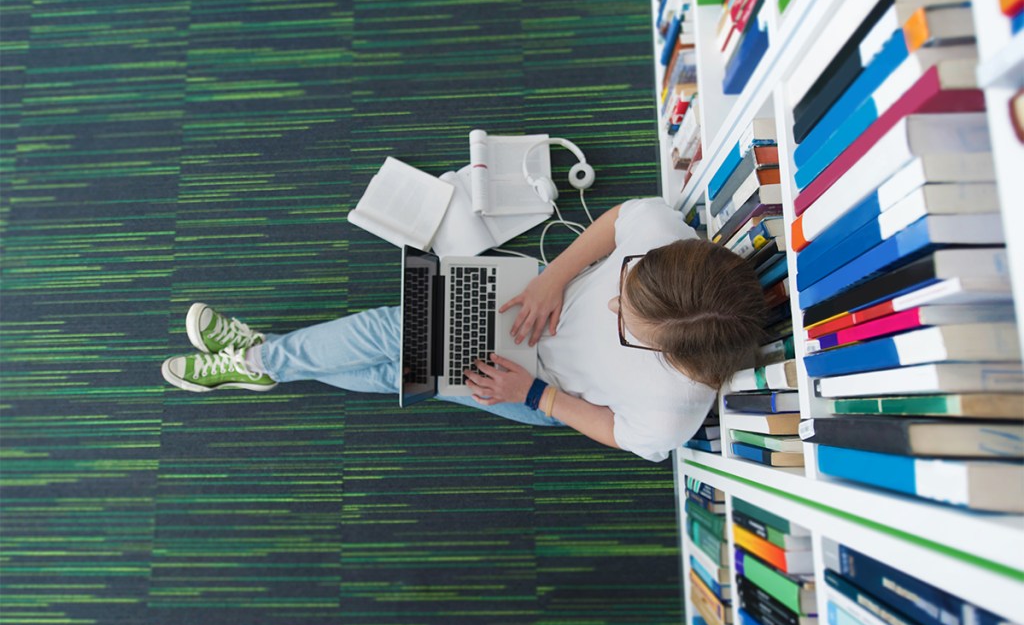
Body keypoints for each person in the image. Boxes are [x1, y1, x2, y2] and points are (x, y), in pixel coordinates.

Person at [161, 197, 767, 462]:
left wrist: (533, 396)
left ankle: (260, 362)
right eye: (625, 289)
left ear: (669, 353)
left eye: (627, 324)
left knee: (405, 370)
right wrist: (554, 278)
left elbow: (618, 431)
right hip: (528, 299)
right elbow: (617, 221)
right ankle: (265, 362)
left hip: (535, 384)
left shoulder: (672, 409)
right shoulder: (664, 238)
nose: (612, 307)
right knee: (391, 330)